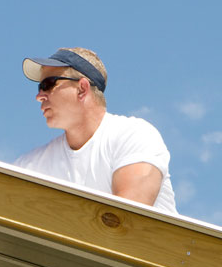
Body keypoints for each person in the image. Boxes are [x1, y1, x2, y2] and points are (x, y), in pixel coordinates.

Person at [14, 48, 176, 214]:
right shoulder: (29, 165)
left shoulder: (134, 136)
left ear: (82, 89)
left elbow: (126, 221)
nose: (39, 96)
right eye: (40, 87)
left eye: (47, 85)